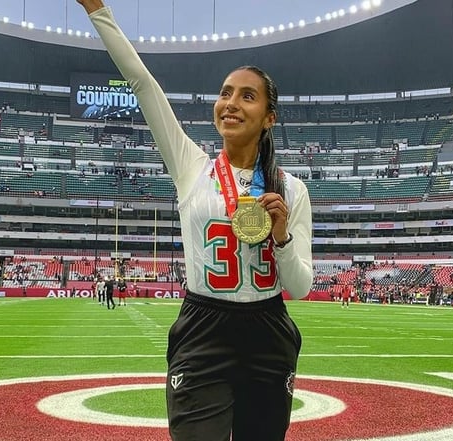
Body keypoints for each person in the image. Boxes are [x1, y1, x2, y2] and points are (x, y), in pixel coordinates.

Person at [77, 2, 313, 440]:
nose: (231, 103)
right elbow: (142, 84)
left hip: (268, 328)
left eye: (247, 96)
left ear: (269, 117)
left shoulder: (291, 189)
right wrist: (98, 11)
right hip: (204, 326)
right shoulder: (191, 166)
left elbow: (299, 288)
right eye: (225, 93)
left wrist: (281, 237)